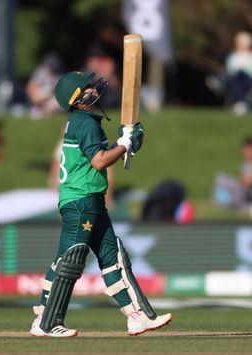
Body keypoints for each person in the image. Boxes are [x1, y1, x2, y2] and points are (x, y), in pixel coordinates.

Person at [30, 71, 172, 338]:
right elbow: (99, 161)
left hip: (89, 199)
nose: (95, 89)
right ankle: (47, 322)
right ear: (77, 97)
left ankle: (138, 316)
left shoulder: (81, 121)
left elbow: (101, 157)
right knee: (70, 259)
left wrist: (124, 145)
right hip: (81, 200)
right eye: (88, 88)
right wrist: (123, 144)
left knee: (112, 257)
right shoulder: (85, 122)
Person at [26, 53, 65, 119]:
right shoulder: (40, 72)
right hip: (42, 100)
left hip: (55, 98)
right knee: (40, 93)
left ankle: (48, 111)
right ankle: (42, 110)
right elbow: (30, 89)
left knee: (56, 103)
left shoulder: (61, 73)